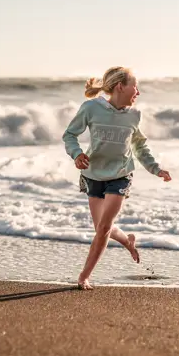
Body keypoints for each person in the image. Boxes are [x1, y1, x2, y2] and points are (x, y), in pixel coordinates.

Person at [62, 66, 171, 290]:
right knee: (102, 228)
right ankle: (127, 241)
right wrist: (77, 154)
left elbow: (139, 147)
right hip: (93, 174)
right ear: (121, 86)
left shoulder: (134, 115)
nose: (138, 92)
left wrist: (156, 169)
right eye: (135, 86)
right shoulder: (91, 108)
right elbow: (70, 135)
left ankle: (84, 276)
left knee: (103, 228)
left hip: (120, 175)